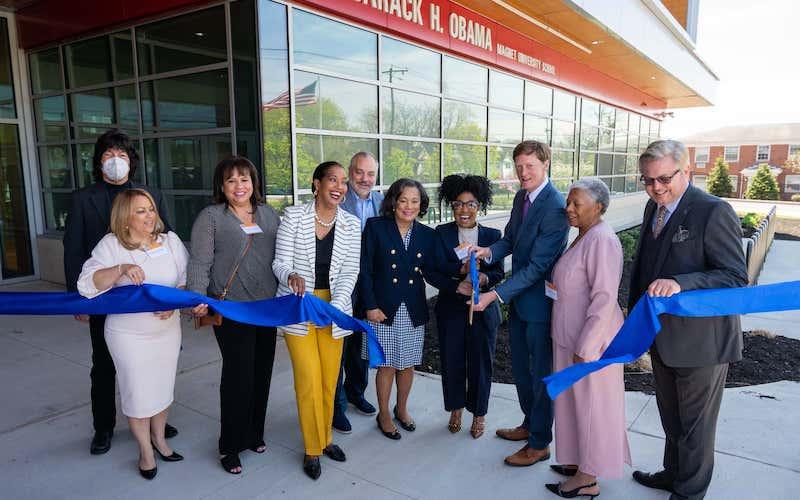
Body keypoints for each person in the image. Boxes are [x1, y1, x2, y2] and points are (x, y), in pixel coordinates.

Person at [629, 140, 747, 500]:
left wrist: (682, 283)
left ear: (687, 172)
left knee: (696, 428)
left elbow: (735, 277)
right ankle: (673, 474)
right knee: (672, 419)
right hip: (662, 336)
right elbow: (646, 265)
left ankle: (689, 493)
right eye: (648, 180)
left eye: (664, 178)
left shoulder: (713, 211)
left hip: (702, 343)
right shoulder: (655, 206)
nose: (656, 187)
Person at [63, 128, 176, 455]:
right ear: (99, 163)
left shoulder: (149, 194)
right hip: (104, 296)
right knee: (104, 364)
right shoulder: (84, 198)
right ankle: (104, 427)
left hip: (148, 299)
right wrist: (78, 298)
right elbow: (73, 249)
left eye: (122, 156)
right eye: (109, 156)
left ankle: (157, 420)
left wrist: (172, 295)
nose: (116, 161)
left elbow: (166, 239)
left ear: (132, 162)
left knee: (154, 363)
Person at [76, 189, 187, 480]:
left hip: (167, 330)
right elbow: (87, 284)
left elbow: (186, 283)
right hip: (128, 335)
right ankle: (145, 451)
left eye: (150, 209)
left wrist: (175, 302)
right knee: (138, 391)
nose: (149, 215)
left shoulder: (170, 242)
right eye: (140, 211)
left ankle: (160, 439)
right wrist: (121, 268)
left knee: (163, 387)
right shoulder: (111, 245)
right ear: (125, 217)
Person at [471, 140, 569, 466]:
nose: (523, 173)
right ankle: (530, 425)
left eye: (530, 166)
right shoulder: (521, 197)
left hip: (540, 306)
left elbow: (538, 267)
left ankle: (540, 443)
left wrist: (495, 295)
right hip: (520, 303)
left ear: (546, 166)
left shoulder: (555, 207)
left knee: (540, 376)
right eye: (519, 166)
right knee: (522, 373)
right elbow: (510, 239)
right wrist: (489, 253)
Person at [187, 156, 281, 475]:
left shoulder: (269, 213)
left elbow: (280, 255)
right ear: (221, 186)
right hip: (231, 308)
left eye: (244, 179)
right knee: (238, 377)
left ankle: (255, 433)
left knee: (262, 372)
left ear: (254, 182)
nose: (239, 186)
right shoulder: (212, 217)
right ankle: (230, 445)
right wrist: (198, 298)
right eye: (231, 180)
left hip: (266, 308)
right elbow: (200, 262)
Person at [272, 161, 362, 480]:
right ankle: (312, 448)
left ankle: (326, 439)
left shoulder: (351, 224)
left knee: (328, 379)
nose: (339, 186)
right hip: (299, 305)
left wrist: (335, 306)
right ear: (317, 184)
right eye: (332, 180)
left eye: (343, 182)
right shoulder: (294, 216)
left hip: (333, 308)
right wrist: (291, 274)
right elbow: (279, 262)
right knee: (308, 378)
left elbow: (350, 271)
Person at [545, 178, 631, 498]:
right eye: (568, 201)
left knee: (592, 408)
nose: (568, 208)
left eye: (576, 203)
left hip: (589, 344)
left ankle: (588, 478)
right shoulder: (583, 235)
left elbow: (604, 297)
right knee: (572, 405)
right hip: (569, 335)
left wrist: (588, 345)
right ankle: (575, 461)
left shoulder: (602, 239)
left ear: (598, 207)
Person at [359, 178, 458, 441]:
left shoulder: (427, 235)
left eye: (415, 201)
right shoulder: (376, 227)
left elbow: (434, 270)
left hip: (412, 308)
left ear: (421, 204)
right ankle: (384, 414)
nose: (409, 206)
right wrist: (370, 306)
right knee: (387, 365)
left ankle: (401, 409)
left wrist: (459, 280)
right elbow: (365, 270)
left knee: (408, 365)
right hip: (382, 309)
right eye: (403, 200)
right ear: (393, 202)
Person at [429, 174, 503, 439]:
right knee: (452, 361)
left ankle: (479, 414)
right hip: (451, 309)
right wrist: (456, 279)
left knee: (482, 364)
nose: (464, 210)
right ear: (451, 206)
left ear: (480, 206)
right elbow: (433, 271)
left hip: (483, 308)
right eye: (459, 204)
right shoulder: (442, 234)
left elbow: (498, 273)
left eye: (471, 204)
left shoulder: (493, 235)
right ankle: (456, 409)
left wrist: (484, 277)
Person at [332, 151, 383, 433]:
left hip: (368, 287)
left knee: (361, 346)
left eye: (370, 173)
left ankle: (356, 392)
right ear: (350, 172)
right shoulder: (338, 200)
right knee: (338, 346)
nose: (365, 178)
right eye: (359, 172)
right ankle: (336, 405)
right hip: (341, 283)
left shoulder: (382, 202)